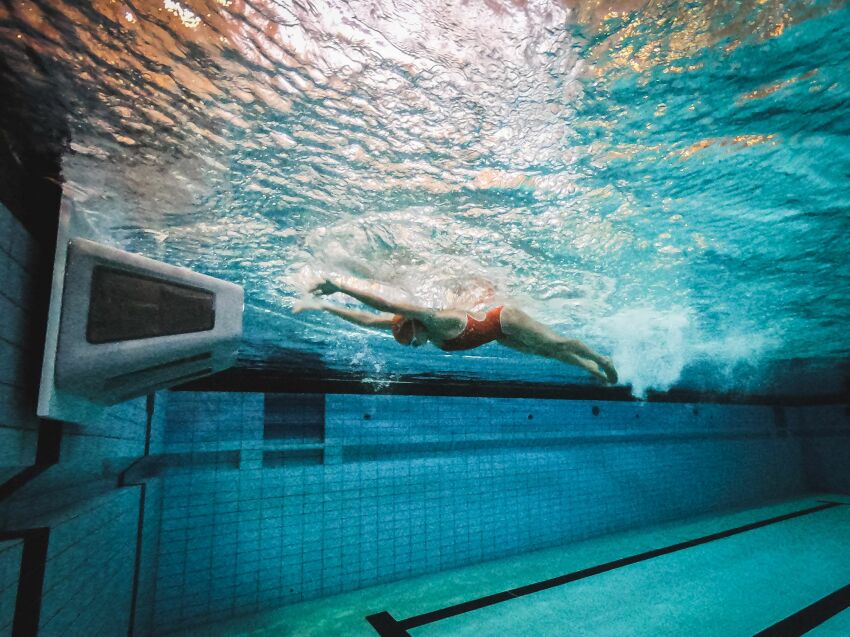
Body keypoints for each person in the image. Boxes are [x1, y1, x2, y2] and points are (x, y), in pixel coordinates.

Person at [294, 277, 618, 383]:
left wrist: (339, 286)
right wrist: (322, 306)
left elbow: (385, 304)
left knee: (556, 343)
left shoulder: (434, 319)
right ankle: (593, 369)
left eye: (414, 342)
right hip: (495, 334)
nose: (416, 346)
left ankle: (600, 358)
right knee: (544, 352)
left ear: (416, 327)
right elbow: (366, 320)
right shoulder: (409, 328)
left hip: (503, 318)